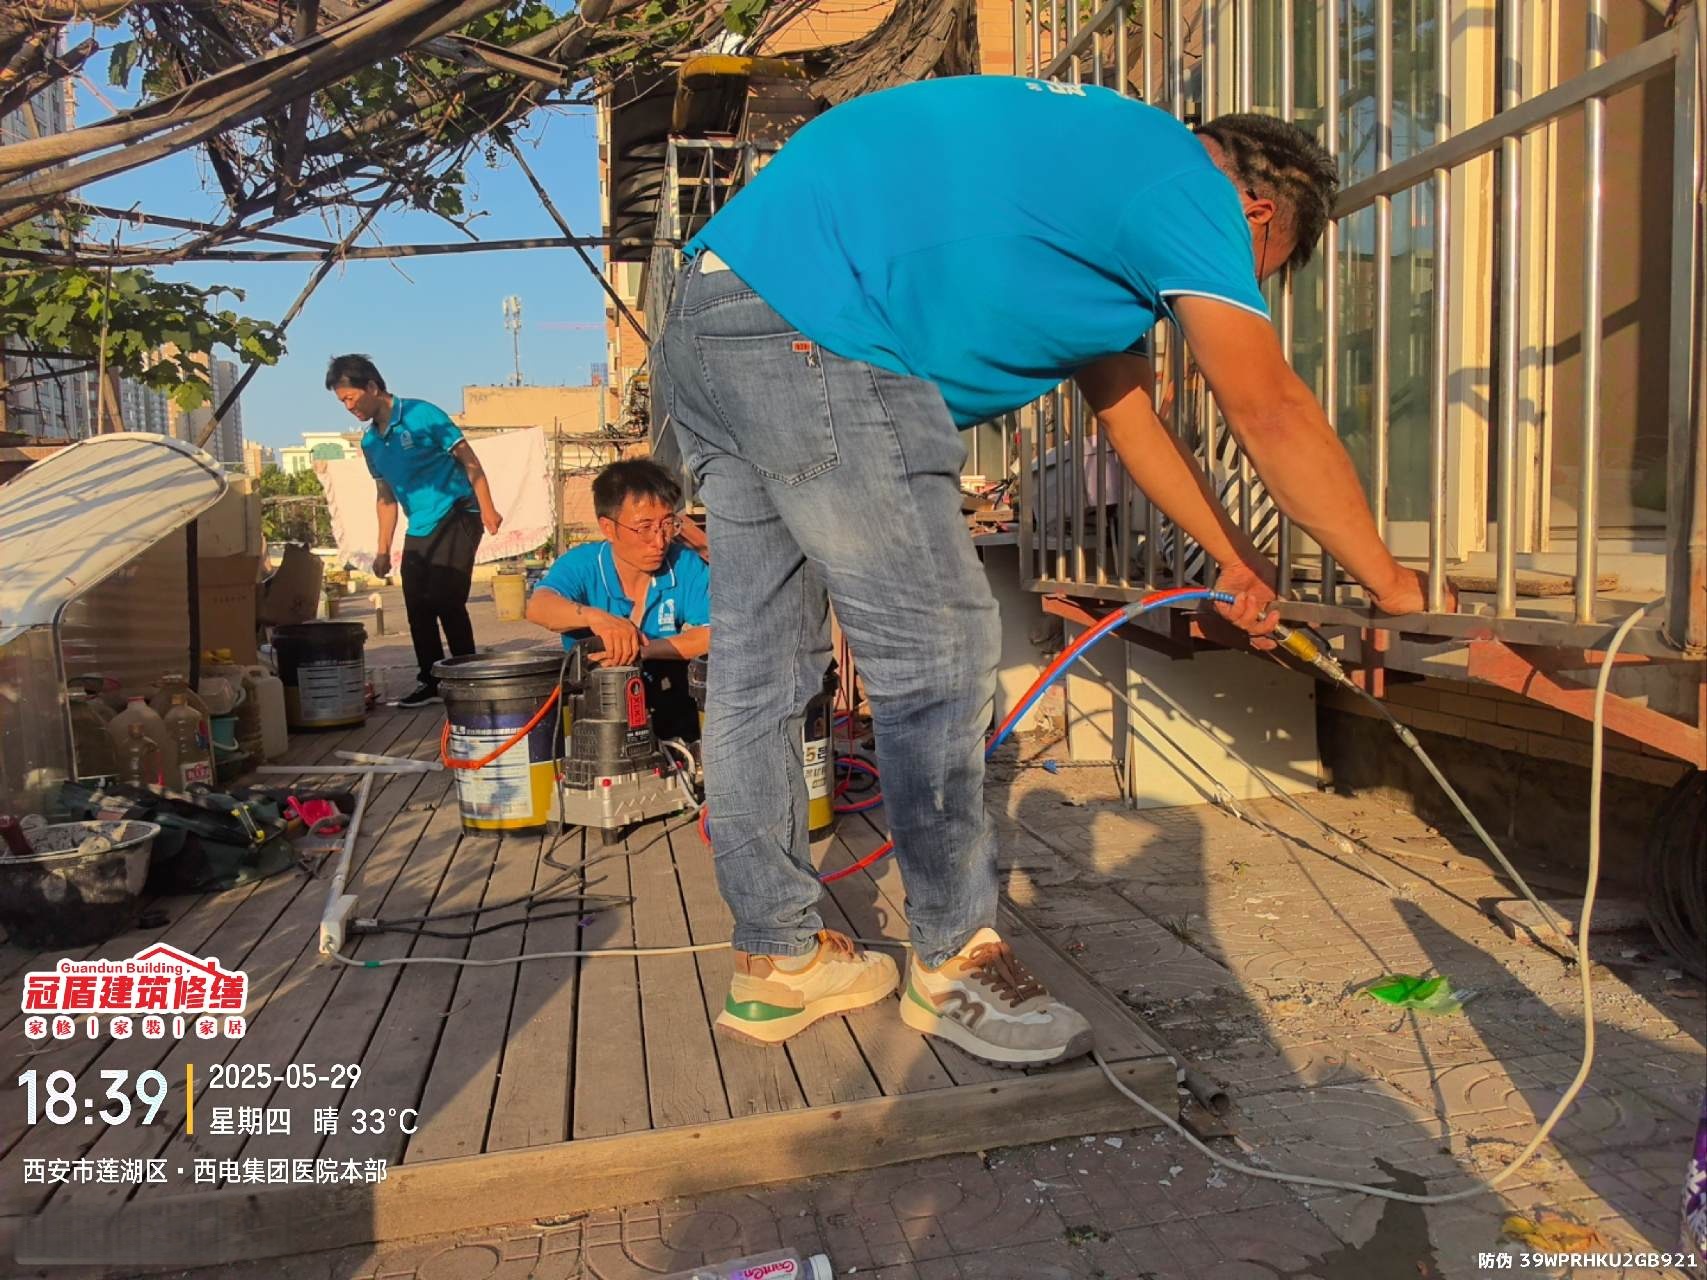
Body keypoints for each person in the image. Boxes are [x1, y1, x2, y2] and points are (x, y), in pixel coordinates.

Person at [657, 76, 1440, 1066]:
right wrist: (1392, 587)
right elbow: (1270, 407)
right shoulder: (1185, 183)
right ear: (1255, 211)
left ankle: (776, 961)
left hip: (715, 313)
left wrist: (1238, 562)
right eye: (1258, 270)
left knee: (760, 665)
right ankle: (954, 961)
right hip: (823, 332)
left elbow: (1133, 422)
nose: (1228, 290)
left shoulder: (1096, 191)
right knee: (937, 658)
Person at [326, 355, 503, 708]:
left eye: (350, 398)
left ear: (372, 387)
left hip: (458, 511)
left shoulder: (422, 415)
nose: (348, 407)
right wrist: (382, 550)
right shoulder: (370, 444)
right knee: (417, 604)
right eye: (342, 401)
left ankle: (467, 676)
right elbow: (385, 498)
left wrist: (487, 507)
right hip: (420, 524)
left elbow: (469, 459)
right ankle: (431, 681)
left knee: (446, 598)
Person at [526, 459, 710, 740]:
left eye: (667, 524)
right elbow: (539, 607)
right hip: (594, 706)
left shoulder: (684, 563)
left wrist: (642, 650)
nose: (659, 541)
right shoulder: (582, 564)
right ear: (608, 528)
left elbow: (717, 633)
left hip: (669, 700)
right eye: (644, 527)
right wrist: (596, 618)